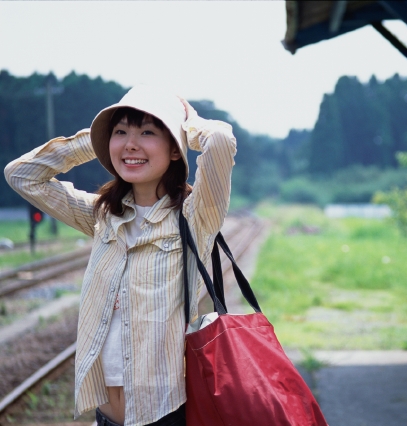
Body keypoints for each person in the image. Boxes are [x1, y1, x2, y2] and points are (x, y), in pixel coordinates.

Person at [4, 85, 237, 425]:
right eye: (121, 131)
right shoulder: (103, 217)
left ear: (174, 148)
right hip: (107, 418)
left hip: (166, 415)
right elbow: (21, 175)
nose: (131, 143)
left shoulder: (195, 216)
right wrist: (97, 141)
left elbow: (220, 143)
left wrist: (190, 122)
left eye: (147, 132)